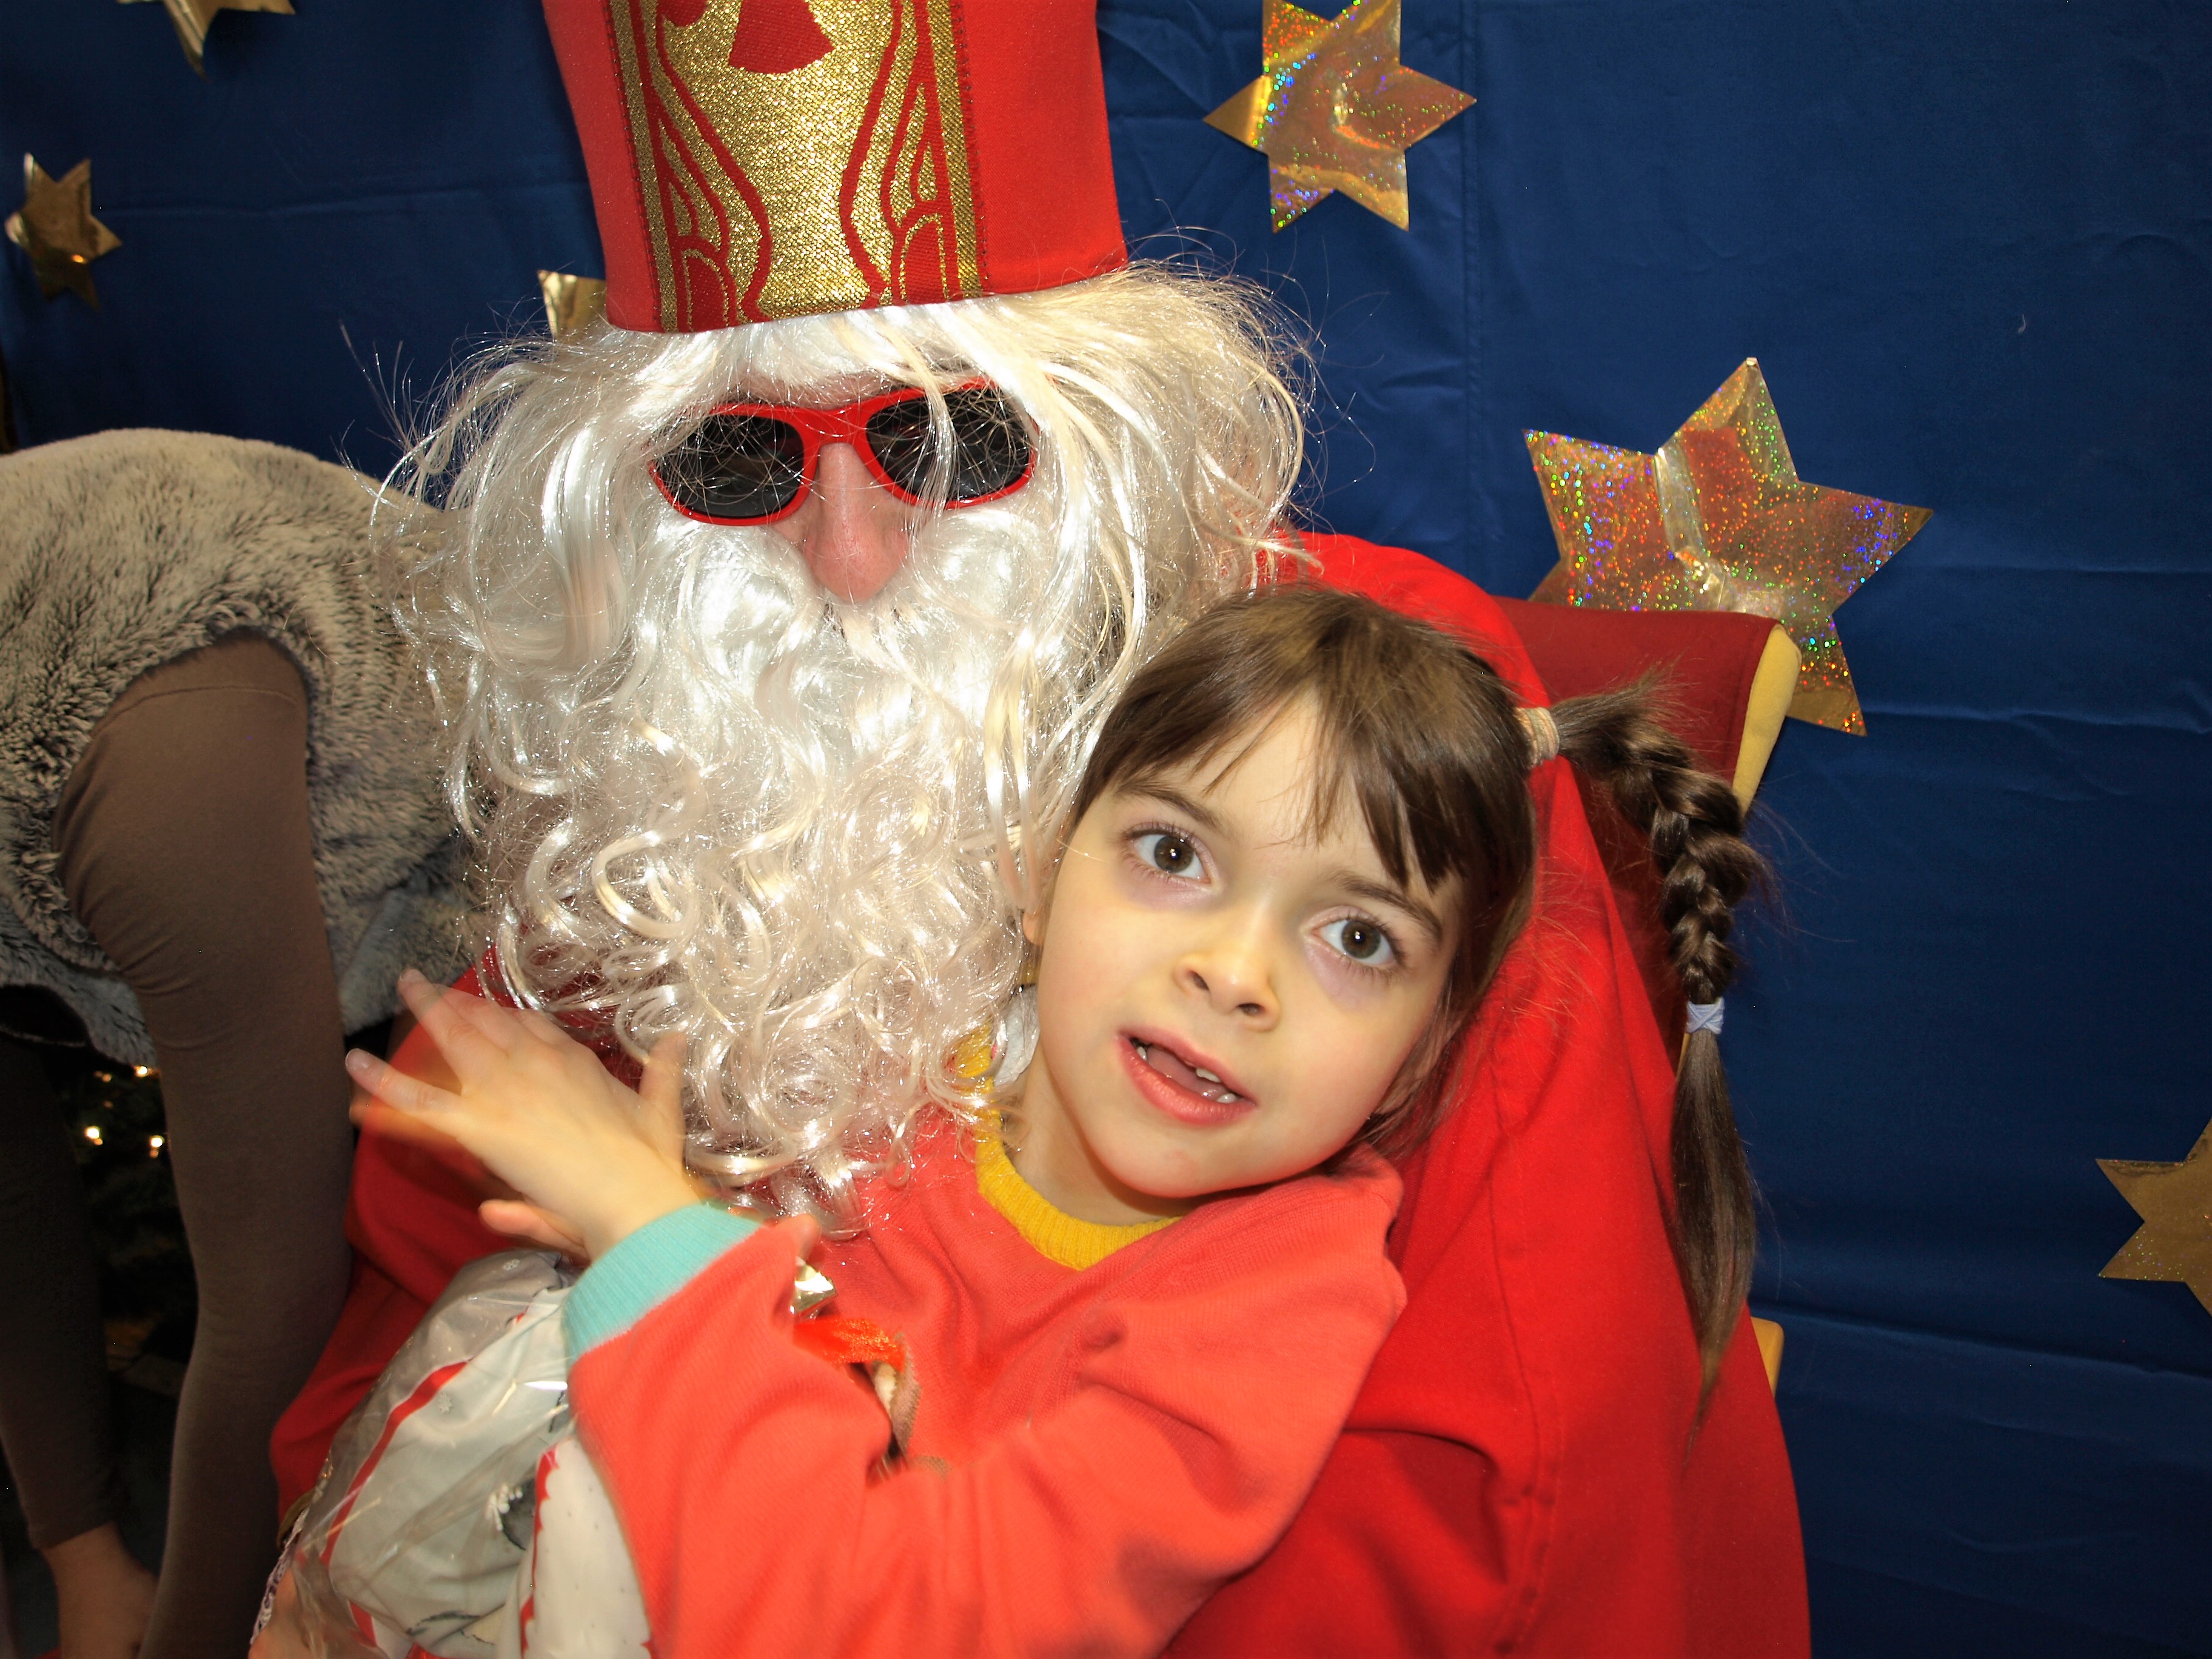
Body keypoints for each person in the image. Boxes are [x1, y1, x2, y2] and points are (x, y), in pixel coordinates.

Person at [272, 1, 1811, 1650]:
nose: (850, 562)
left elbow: (1500, 1453)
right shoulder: (666, 748)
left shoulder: (1351, 728)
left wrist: (659, 1270)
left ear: (1104, 424)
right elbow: (417, 1291)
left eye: (950, 440)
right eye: (735, 460)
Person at [263, 585, 1766, 1658]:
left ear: (1424, 1050)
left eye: (1357, 937)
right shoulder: (896, 1060)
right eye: (1173, 855)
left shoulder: (1274, 1308)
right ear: (1036, 876)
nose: (1234, 973)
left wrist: (653, 1241)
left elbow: (887, 1621)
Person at [0, 430, 473, 1659]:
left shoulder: (155, 771)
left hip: (486, 833)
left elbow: (277, 1294)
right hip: (169, 750)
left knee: (431, 1371)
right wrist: (82, 1557)